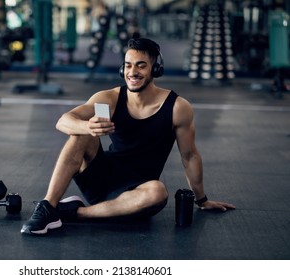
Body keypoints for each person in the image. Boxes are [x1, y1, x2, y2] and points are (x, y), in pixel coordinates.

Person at [21, 37, 236, 235]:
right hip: (100, 180)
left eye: (141, 65)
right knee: (80, 134)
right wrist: (88, 126)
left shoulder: (178, 107)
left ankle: (74, 213)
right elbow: (64, 121)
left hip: (137, 192)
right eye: (128, 65)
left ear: (156, 68)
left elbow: (189, 156)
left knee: (158, 192)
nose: (132, 72)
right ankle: (49, 207)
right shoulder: (110, 98)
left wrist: (202, 200)